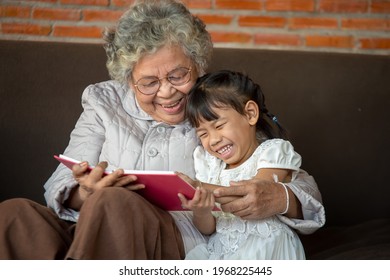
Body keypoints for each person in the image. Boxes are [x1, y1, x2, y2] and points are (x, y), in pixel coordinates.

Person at [0, 0, 325, 260]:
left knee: (113, 202)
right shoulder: (102, 101)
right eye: (149, 82)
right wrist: (85, 191)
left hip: (164, 241)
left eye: (178, 76)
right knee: (14, 215)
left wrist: (280, 197)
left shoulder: (212, 106)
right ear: (128, 79)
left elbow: (285, 173)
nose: (167, 92)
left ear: (197, 65)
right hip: (88, 231)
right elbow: (59, 184)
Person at [177, 70, 306, 259]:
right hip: (223, 250)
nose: (213, 140)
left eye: (219, 126)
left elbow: (253, 194)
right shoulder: (210, 164)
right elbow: (208, 228)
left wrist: (199, 187)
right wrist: (202, 209)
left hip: (265, 247)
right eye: (203, 134)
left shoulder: (273, 152)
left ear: (250, 114)